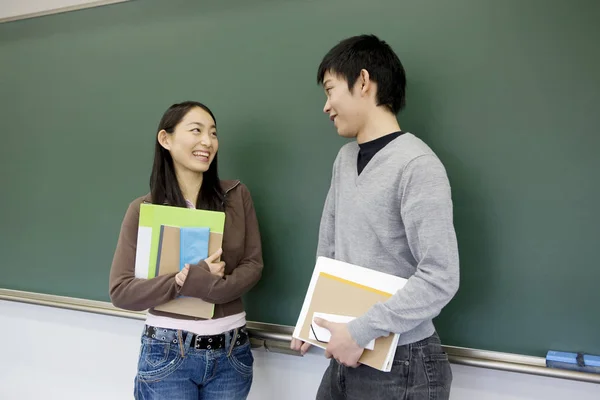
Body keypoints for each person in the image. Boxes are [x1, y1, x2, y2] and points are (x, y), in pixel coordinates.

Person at [291, 34, 460, 399]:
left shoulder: (417, 166)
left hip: (404, 361)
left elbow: (441, 277)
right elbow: (330, 249)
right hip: (347, 353)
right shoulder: (344, 160)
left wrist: (359, 331)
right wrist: (314, 322)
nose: (326, 106)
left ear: (363, 82)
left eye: (330, 90)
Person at [109, 101, 263, 400]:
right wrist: (186, 279)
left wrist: (211, 288)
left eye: (213, 133)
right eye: (196, 130)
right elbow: (121, 292)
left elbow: (253, 265)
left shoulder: (236, 195)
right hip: (167, 353)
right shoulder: (144, 209)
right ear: (165, 139)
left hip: (232, 351)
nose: (208, 141)